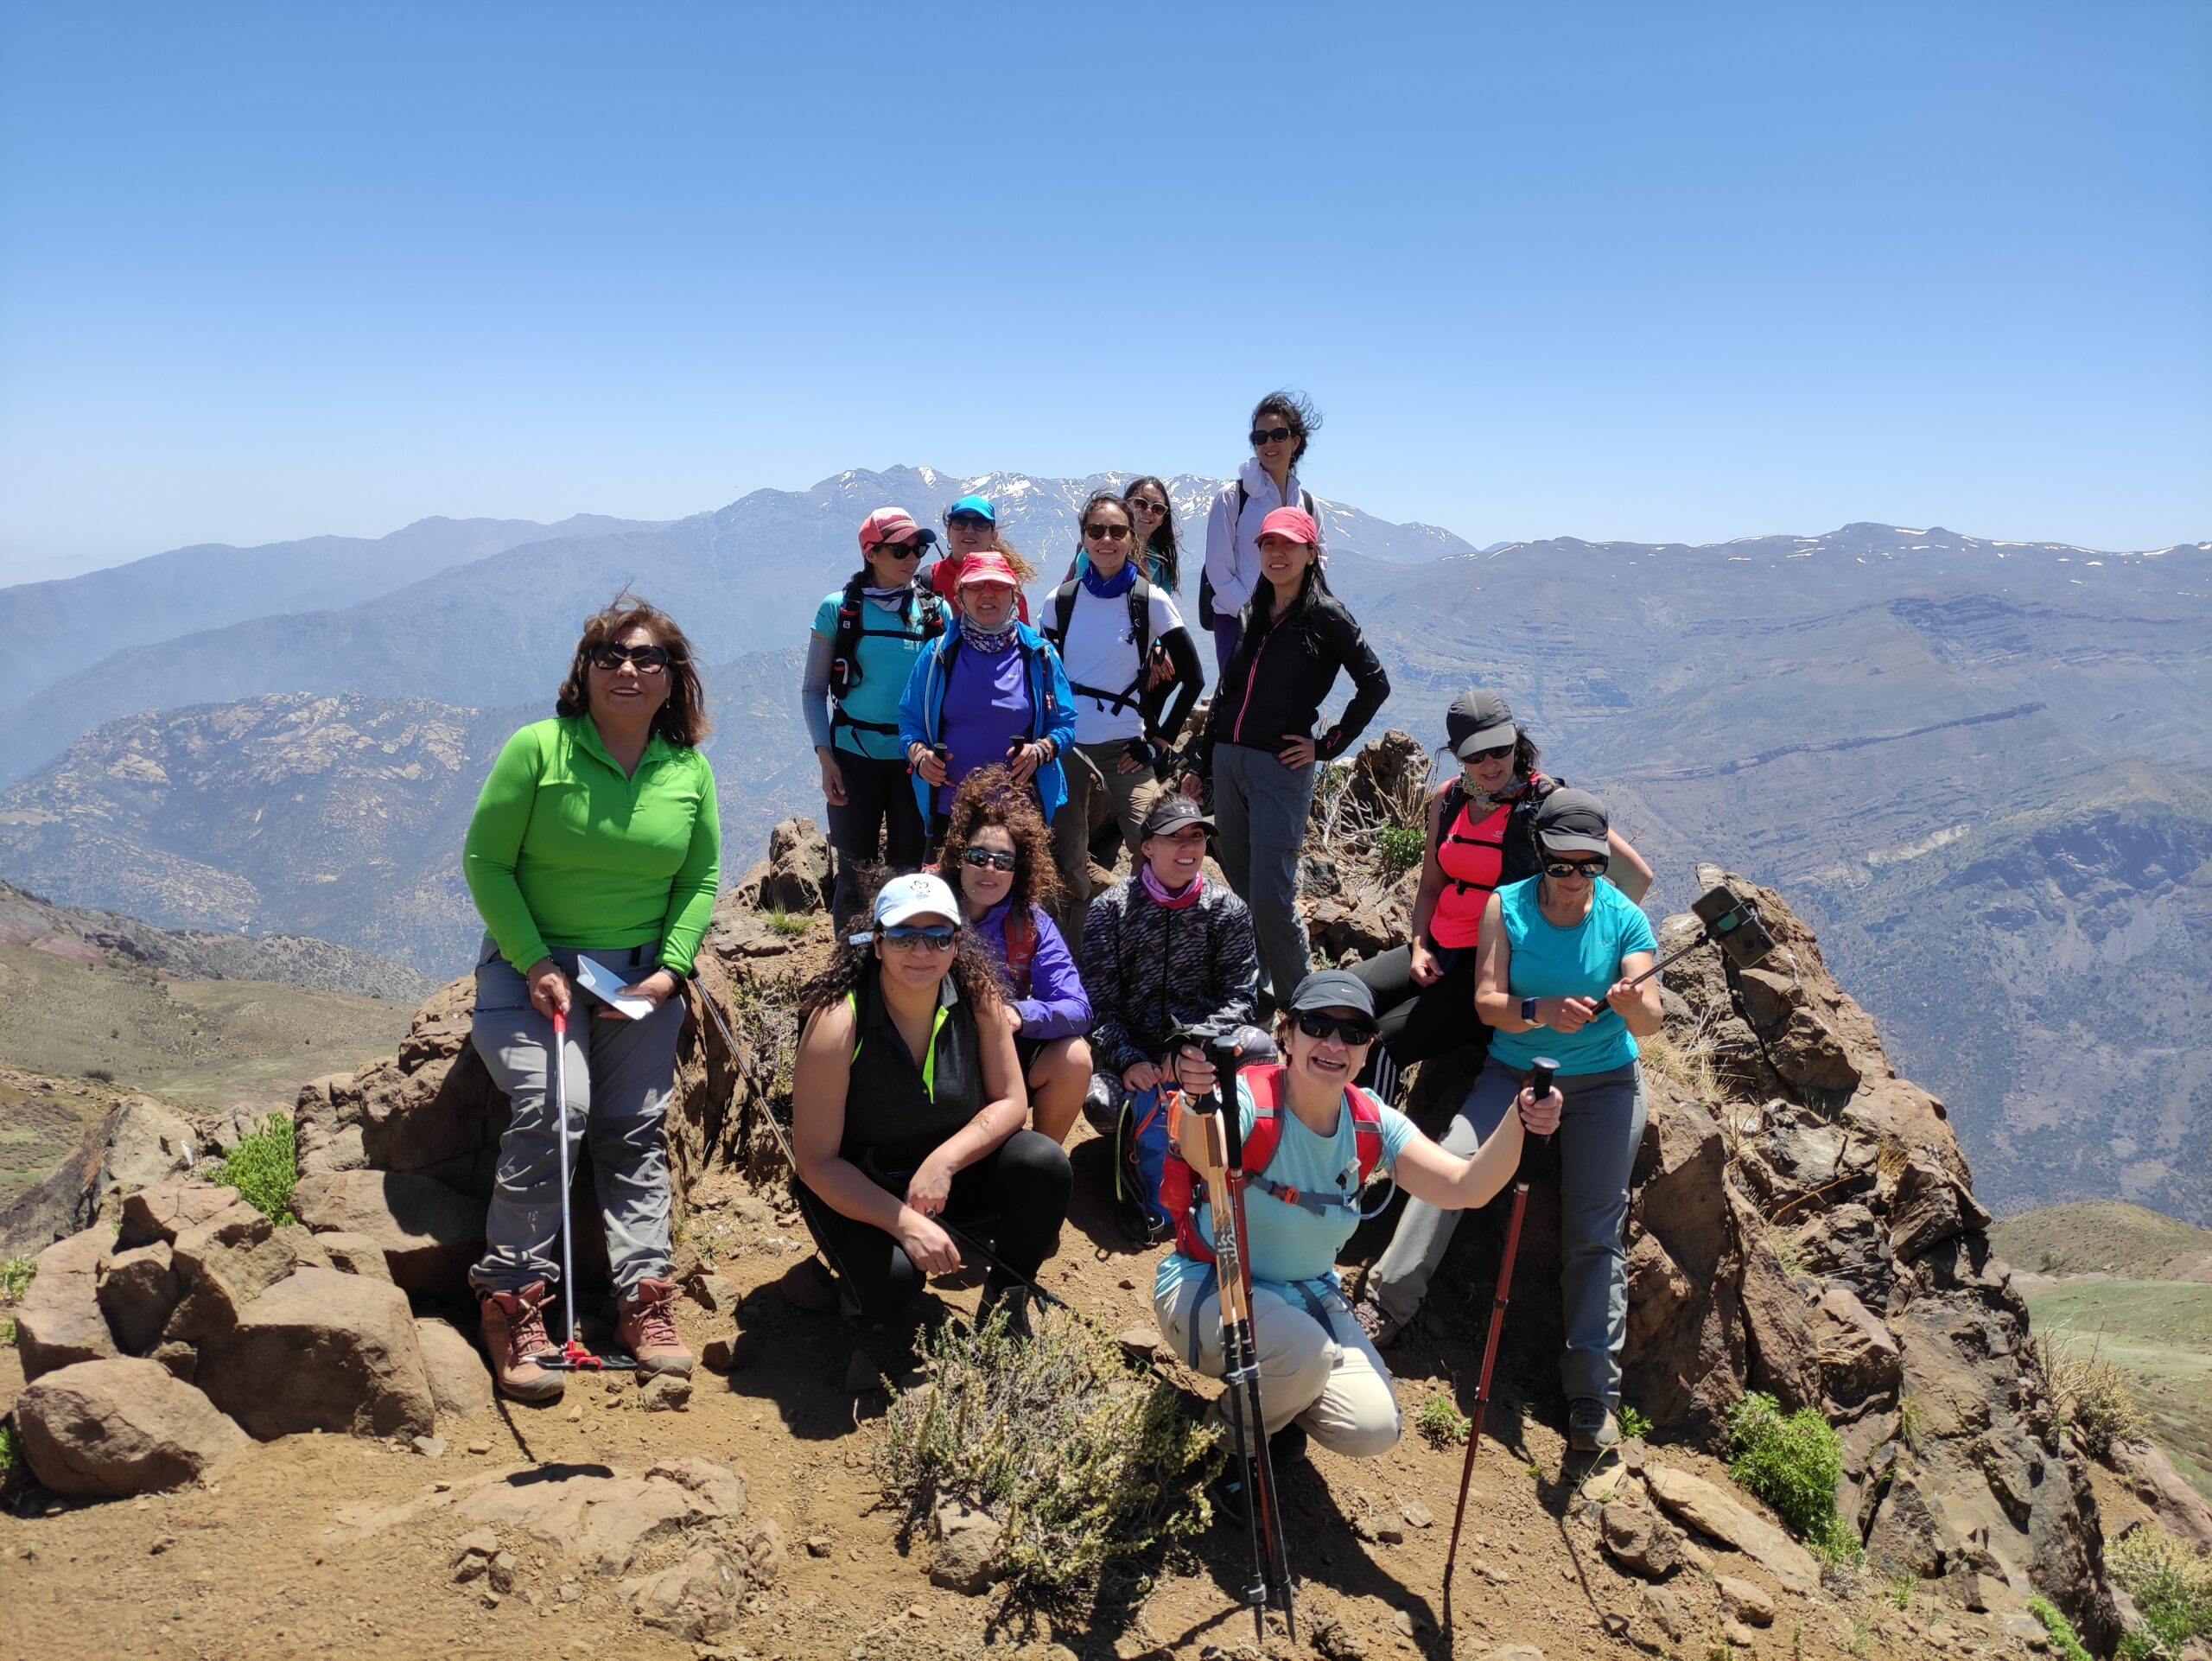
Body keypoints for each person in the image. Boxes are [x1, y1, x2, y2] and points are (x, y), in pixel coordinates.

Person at [1152, 971, 1562, 1505]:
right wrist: (1197, 1097)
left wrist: (1518, 1118)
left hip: (1304, 1297)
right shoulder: (1249, 1097)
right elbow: (1210, 1151)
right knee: (1302, 1354)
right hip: (1210, 1287)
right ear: (1287, 1034)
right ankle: (1229, 1447)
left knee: (1372, 1424)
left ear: (1370, 1048)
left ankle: (1275, 1401)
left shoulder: (1372, 1122)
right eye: (1317, 1026)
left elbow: (1467, 1186)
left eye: (1353, 1034)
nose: (1333, 1044)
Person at [461, 594, 720, 1402]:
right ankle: (513, 1301)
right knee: (555, 1108)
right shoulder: (538, 750)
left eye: (649, 659)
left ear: (674, 680)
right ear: (586, 671)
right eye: (612, 656)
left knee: (633, 1128)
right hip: (531, 974)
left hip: (640, 978)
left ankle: (644, 1297)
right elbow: (486, 862)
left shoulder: (688, 770)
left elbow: (700, 877)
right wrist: (535, 961)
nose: (630, 671)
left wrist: (669, 971)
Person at [1358, 789, 1662, 1449]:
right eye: (1563, 864)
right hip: (1517, 1069)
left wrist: (1631, 1003)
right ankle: (1386, 1303)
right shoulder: (1508, 904)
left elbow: (1653, 1016)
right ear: (1542, 855)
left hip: (1606, 1079)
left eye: (1591, 865)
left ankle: (1591, 1394)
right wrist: (1543, 1010)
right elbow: (1489, 1002)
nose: (1577, 879)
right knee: (1454, 1167)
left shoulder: (1623, 919)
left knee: (1595, 1222)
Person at [788, 871, 1072, 1334]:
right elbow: (816, 1163)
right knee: (892, 1283)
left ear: (956, 943)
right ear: (877, 943)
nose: (922, 952)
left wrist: (943, 1162)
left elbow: (1012, 1102)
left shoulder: (978, 997)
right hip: (861, 1190)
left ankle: (1004, 1310)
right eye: (903, 936)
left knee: (1043, 1163)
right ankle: (855, 1300)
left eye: (938, 938)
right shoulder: (838, 1021)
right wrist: (902, 1223)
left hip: (947, 1183)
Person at [1347, 689, 1653, 1102]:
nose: (1490, 764)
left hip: (1495, 965)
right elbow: (1431, 887)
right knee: (1334, 995)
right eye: (1475, 755)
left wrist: (1578, 952)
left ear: (1516, 740)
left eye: (1500, 749)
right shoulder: (1450, 798)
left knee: (1376, 1046)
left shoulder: (1547, 802)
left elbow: (1635, 877)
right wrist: (1420, 947)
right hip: (1441, 947)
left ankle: (1361, 1151)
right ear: (1456, 753)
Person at [1181, 504, 1389, 1013]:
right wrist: (1200, 761)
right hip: (1229, 760)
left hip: (1281, 767)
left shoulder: (1328, 616)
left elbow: (1374, 684)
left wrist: (1327, 745)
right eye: (1268, 545)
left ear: (1310, 553)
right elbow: (1229, 690)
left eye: (1288, 545)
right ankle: (1260, 982)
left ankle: (1306, 1006)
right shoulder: (1255, 607)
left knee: (1272, 894)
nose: (1276, 554)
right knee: (1242, 878)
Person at [1077, 794, 1259, 1236]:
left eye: (1196, 836)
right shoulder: (1111, 910)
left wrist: (1189, 1051)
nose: (1188, 847)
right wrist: (1129, 1059)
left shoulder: (1226, 910)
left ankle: (1235, 1176)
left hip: (1200, 1058)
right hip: (1134, 1059)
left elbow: (1241, 997)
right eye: (1173, 837)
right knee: (1101, 1104)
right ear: (1147, 848)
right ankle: (1140, 1159)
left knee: (1262, 1048)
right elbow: (1097, 1004)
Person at [1040, 491, 1204, 930]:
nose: (1106, 540)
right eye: (1096, 531)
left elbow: (1194, 676)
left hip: (1125, 746)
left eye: (1117, 531)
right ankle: (1076, 957)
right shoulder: (1060, 601)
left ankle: (1145, 937)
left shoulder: (1148, 599)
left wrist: (1159, 740)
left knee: (1155, 841)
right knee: (1067, 858)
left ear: (1132, 538)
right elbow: (1043, 678)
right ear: (1084, 539)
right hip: (1068, 747)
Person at [803, 506, 946, 926]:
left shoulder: (937, 613)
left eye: (918, 548)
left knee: (907, 873)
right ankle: (850, 972)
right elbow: (813, 690)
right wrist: (825, 757)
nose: (912, 558)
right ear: (870, 553)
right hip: (852, 758)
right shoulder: (839, 609)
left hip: (914, 764)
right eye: (899, 549)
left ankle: (899, 967)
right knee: (854, 875)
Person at [936, 767, 1094, 1144]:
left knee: (1075, 1057)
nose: (990, 868)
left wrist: (1019, 1014)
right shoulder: (927, 909)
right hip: (937, 1053)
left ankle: (1037, 1161)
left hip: (1004, 1052)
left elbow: (1078, 1008)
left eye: (1003, 861)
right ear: (960, 858)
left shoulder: (1031, 923)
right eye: (978, 856)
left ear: (1016, 872)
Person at [898, 550, 1076, 847]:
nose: (987, 594)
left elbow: (1065, 725)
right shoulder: (937, 654)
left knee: (1017, 891)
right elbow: (909, 723)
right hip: (949, 810)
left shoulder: (1039, 655)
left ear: (1014, 593)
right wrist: (920, 757)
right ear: (960, 595)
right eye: (977, 586)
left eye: (998, 586)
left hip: (1020, 811)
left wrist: (1040, 751)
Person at [1202, 391, 1323, 671]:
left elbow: (1319, 561)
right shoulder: (1232, 498)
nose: (1269, 443)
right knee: (1242, 707)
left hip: (1292, 623)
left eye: (1278, 434)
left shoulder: (1307, 504)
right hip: (1237, 623)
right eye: (1260, 437)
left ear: (1295, 441)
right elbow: (1218, 570)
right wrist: (1255, 615)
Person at [929, 493, 1037, 621]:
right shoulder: (929, 578)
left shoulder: (1005, 580)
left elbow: (1020, 633)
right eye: (960, 523)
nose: (969, 530)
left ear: (993, 536)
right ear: (948, 533)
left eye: (980, 524)